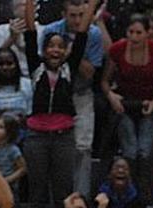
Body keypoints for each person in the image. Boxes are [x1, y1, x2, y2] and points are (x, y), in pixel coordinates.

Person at [23, 0, 92, 208]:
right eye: (51, 46)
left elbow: (82, 33)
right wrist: (29, 4)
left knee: (63, 188)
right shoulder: (36, 68)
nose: (55, 50)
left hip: (64, 137)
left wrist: (93, 5)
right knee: (37, 188)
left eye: (60, 47)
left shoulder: (69, 69)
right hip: (37, 137)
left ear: (66, 51)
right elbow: (30, 30)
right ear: (43, 51)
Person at [40, 0, 105, 198]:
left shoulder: (93, 34)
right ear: (63, 14)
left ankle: (81, 199)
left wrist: (71, 51)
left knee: (83, 148)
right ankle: (56, 200)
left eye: (81, 15)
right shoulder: (50, 31)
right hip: (55, 95)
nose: (77, 21)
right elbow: (43, 64)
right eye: (73, 16)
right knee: (53, 149)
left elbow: (90, 72)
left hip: (81, 93)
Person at [102, 13, 153, 198]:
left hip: (148, 103)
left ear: (148, 33)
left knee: (145, 151)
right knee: (130, 151)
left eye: (139, 33)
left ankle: (146, 194)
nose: (134, 37)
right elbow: (105, 82)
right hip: (124, 105)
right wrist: (111, 97)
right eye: (131, 32)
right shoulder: (117, 50)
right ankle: (129, 194)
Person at [0, 113, 27, 198]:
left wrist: (7, 180)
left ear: (10, 132)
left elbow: (22, 169)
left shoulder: (13, 150)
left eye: (1, 127)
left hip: (10, 186)